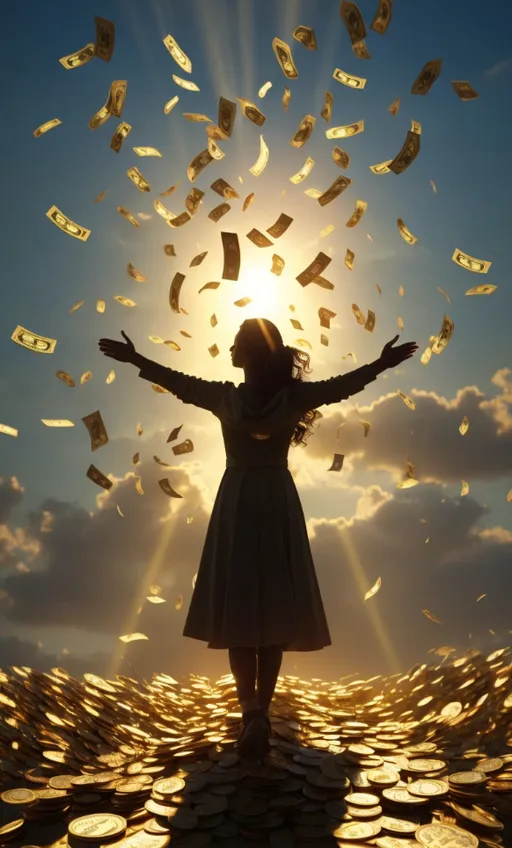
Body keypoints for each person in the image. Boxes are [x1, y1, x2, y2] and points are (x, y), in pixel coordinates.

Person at [98, 320, 418, 760]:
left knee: (239, 612)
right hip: (277, 500)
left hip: (237, 500)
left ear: (246, 353)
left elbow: (175, 382)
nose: (230, 349)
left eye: (236, 343)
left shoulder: (224, 397)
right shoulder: (293, 397)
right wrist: (382, 363)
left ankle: (250, 710)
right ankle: (259, 712)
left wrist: (135, 358)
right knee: (273, 611)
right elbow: (344, 386)